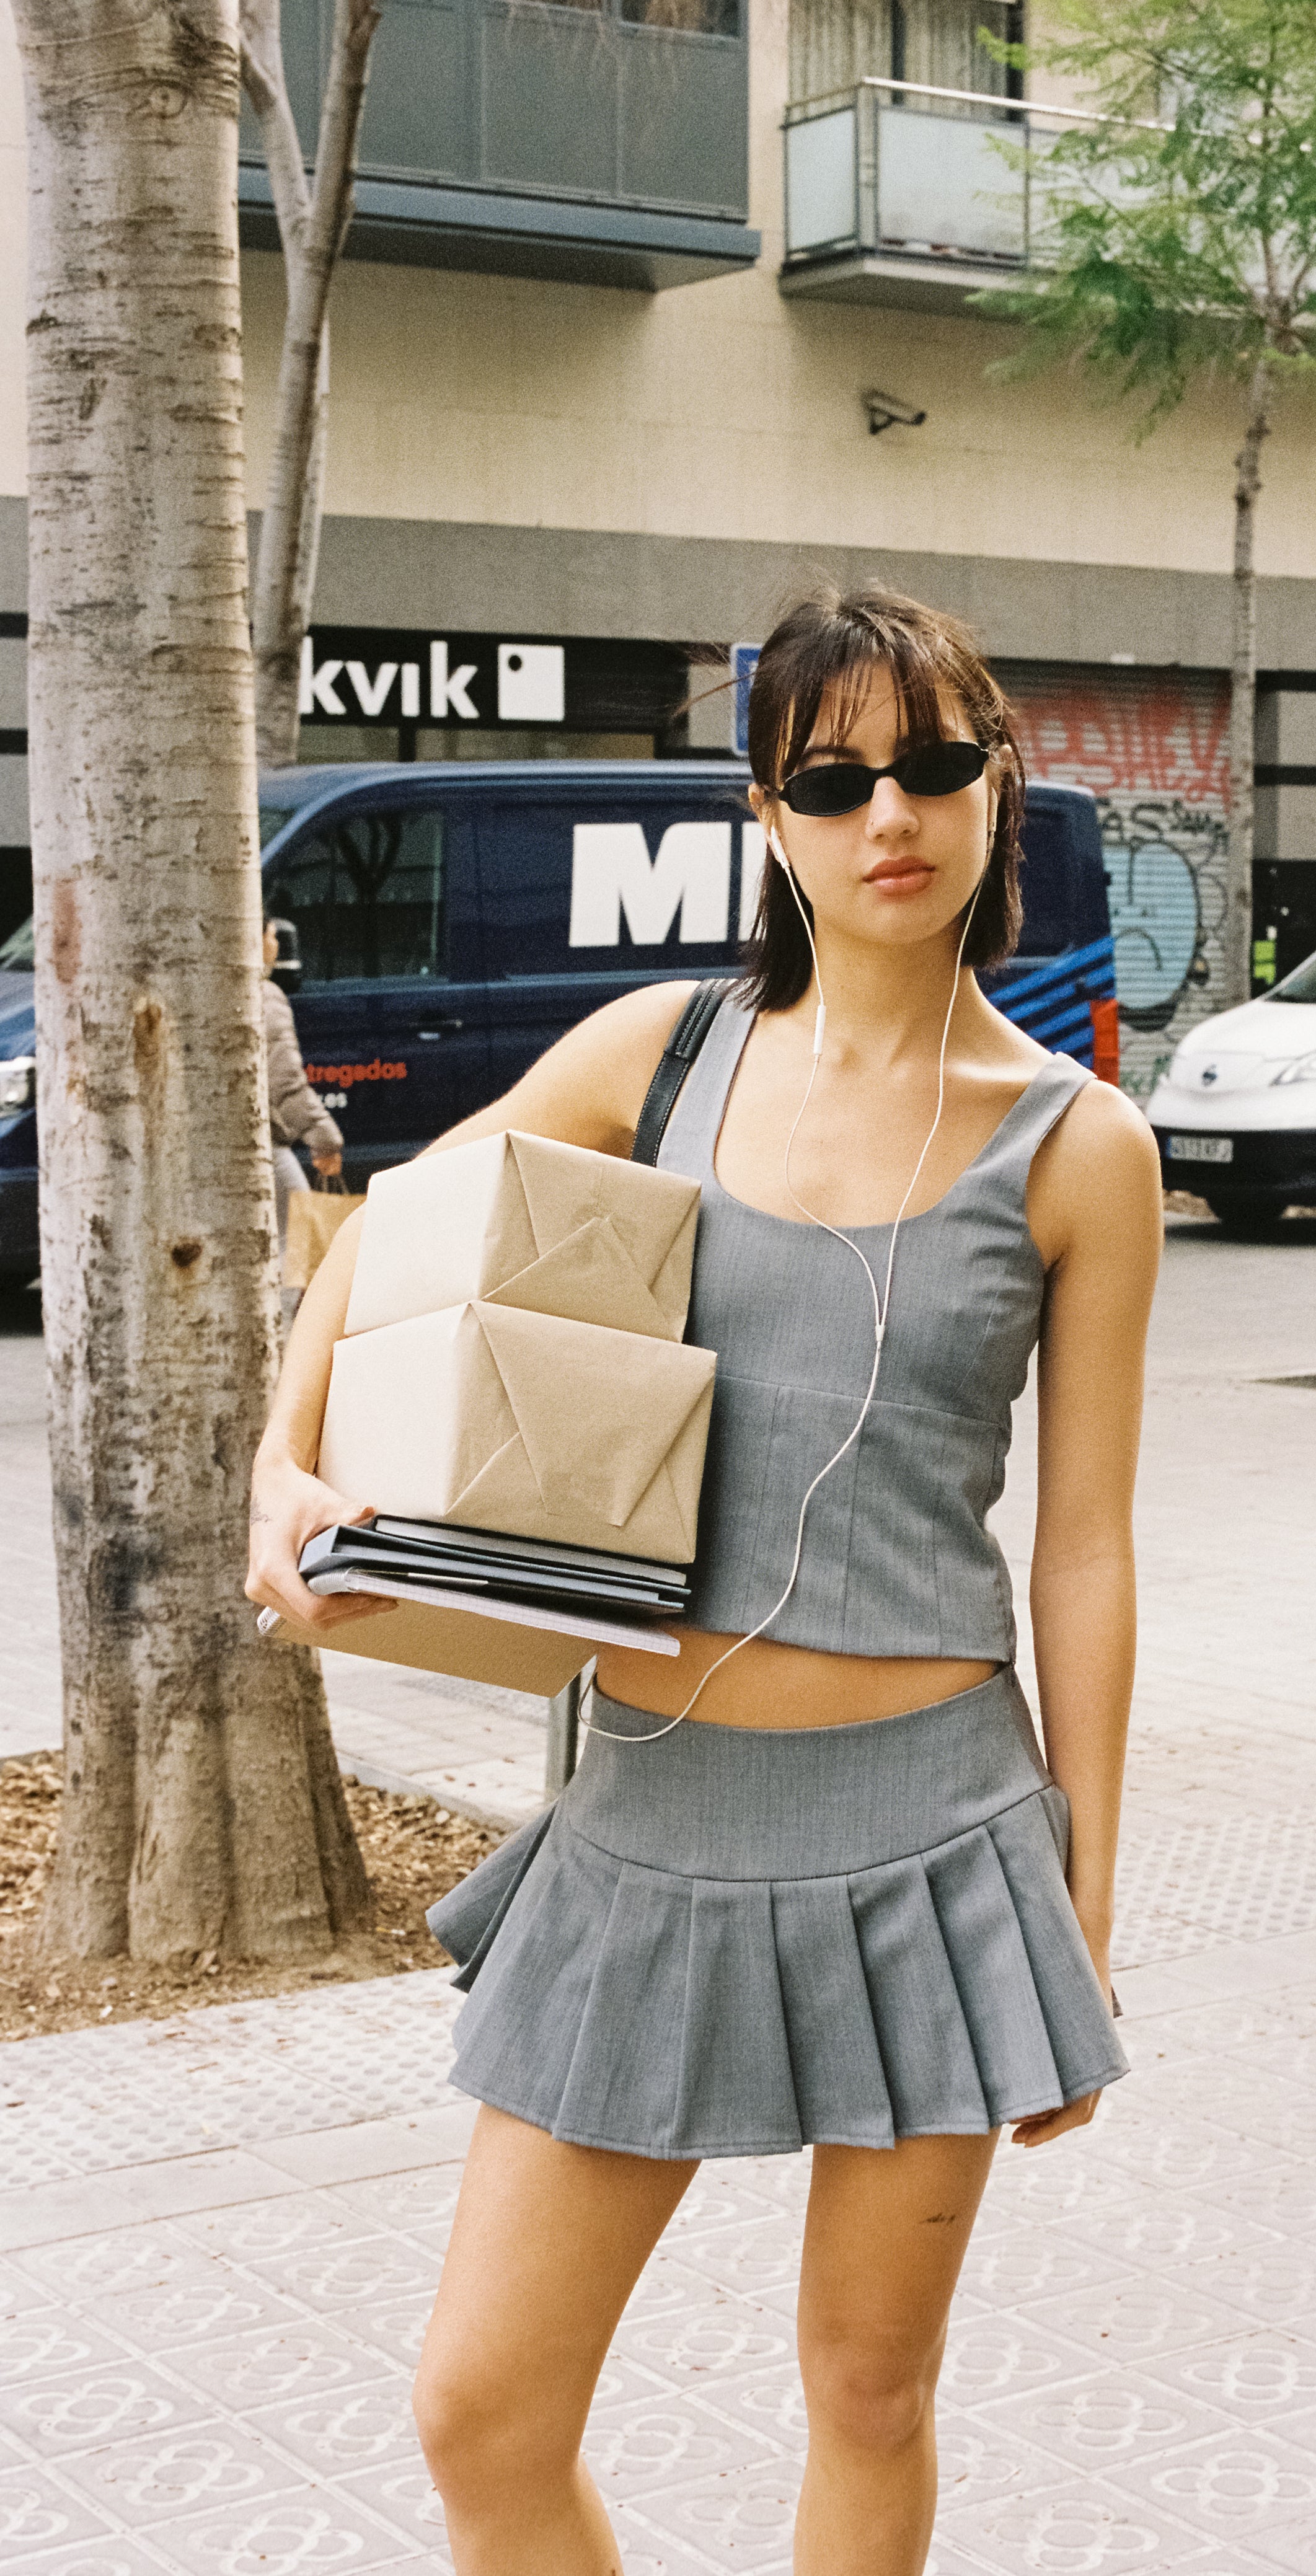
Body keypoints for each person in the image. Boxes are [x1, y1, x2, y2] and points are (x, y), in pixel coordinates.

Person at [246, 588, 1162, 2576]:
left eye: (932, 762)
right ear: (769, 813)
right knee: (480, 2406)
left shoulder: (1079, 1141)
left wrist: (1081, 1907)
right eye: (834, 779)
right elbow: (393, 1227)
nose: (889, 813)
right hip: (646, 1817)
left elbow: (1083, 1543)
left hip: (934, 1832)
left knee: (866, 2389)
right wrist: (283, 1465)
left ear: (994, 780)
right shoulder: (660, 1054)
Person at [262, 917, 342, 1250]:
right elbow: (284, 1082)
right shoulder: (265, 995)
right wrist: (325, 1138)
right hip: (265, 1143)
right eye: (269, 934)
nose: (276, 943)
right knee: (298, 1242)